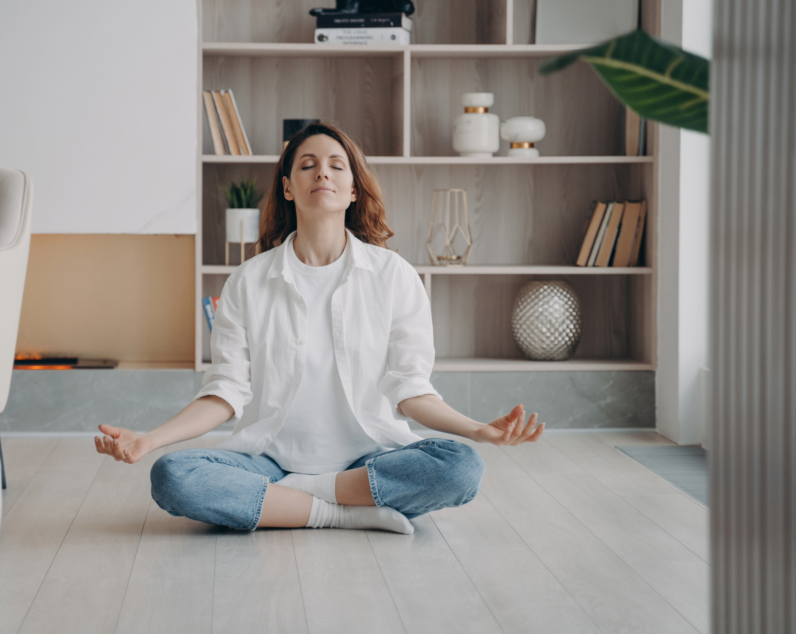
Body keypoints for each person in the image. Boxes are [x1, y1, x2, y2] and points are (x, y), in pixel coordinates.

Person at [96, 122, 544, 534]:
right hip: (268, 461)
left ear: (353, 189)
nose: (322, 174)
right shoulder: (248, 281)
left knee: (461, 466)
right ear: (288, 188)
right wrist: (150, 439)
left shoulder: (394, 275)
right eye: (307, 165)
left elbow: (411, 390)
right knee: (173, 476)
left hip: (369, 460)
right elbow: (224, 393)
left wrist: (478, 431)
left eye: (336, 166)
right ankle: (343, 513)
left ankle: (297, 501)